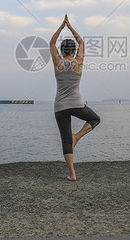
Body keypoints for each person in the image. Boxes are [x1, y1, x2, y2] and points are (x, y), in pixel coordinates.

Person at [50, 14, 101, 181]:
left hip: (60, 107)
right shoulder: (78, 62)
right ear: (73, 51)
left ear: (62, 50)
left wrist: (61, 26)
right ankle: (77, 137)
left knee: (66, 141)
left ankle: (72, 174)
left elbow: (51, 43)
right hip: (77, 104)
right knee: (95, 119)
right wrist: (70, 27)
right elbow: (81, 42)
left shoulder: (57, 62)